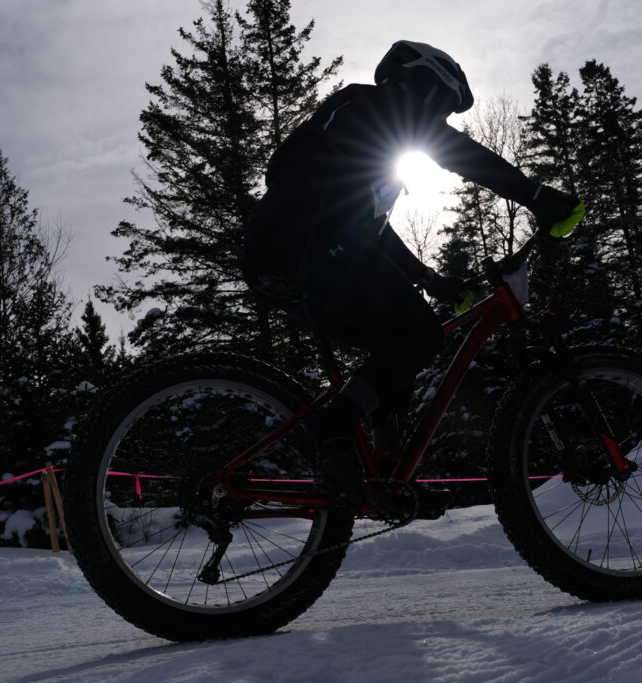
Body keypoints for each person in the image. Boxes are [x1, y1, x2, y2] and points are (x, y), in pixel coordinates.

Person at [242, 40, 584, 505]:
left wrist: (431, 279)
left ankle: (370, 465)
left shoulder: (354, 143)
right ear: (422, 84)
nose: (439, 119)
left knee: (397, 342)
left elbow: (373, 233)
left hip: (287, 251)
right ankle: (333, 427)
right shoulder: (377, 101)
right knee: (422, 336)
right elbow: (452, 150)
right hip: (312, 243)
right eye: (441, 106)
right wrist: (536, 196)